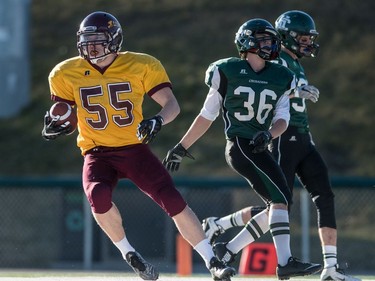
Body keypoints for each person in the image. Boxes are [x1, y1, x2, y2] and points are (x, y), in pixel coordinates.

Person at [41, 11, 236, 281]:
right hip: (96, 152)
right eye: (87, 40)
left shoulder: (141, 64)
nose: (91, 46)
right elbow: (69, 116)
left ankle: (212, 260)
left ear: (114, 40)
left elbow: (172, 105)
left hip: (133, 148)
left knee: (172, 199)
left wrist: (157, 120)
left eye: (98, 40)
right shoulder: (65, 72)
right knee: (97, 195)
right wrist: (57, 125)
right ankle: (129, 254)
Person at [200, 10, 361, 281]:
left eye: (310, 38)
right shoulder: (275, 60)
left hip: (302, 135)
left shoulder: (296, 63)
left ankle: (330, 268)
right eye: (303, 37)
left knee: (322, 196)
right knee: (279, 204)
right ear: (287, 36)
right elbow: (268, 87)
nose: (309, 42)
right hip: (281, 138)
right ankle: (227, 245)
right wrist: (298, 91)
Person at [163, 18, 322, 280]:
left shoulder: (281, 75)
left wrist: (269, 134)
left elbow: (283, 118)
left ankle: (227, 250)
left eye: (272, 39)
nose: (271, 44)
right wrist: (182, 146)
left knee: (277, 204)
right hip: (239, 145)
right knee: (280, 199)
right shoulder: (227, 70)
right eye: (264, 39)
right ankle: (284, 263)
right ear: (247, 41)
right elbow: (207, 116)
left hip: (259, 146)